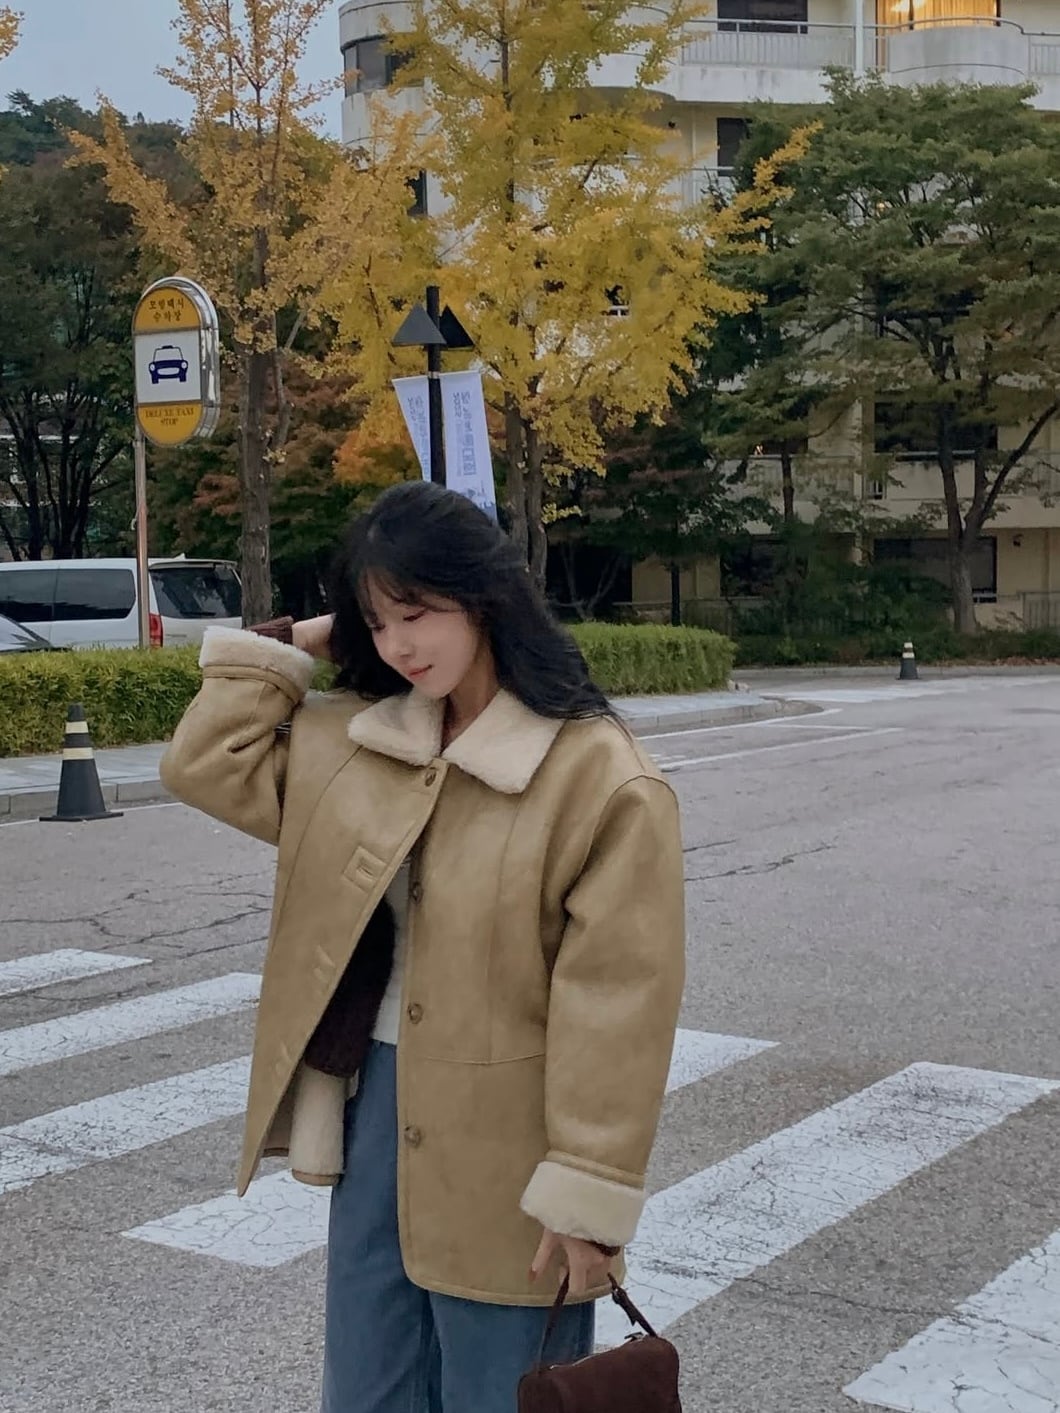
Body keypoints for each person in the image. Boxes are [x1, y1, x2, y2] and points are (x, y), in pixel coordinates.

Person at [160, 481, 685, 1413]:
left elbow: (617, 1001)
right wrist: (306, 639)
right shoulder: (361, 742)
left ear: (484, 593)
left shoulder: (597, 775)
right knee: (368, 1390)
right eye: (376, 620)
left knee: (502, 1393)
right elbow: (204, 763)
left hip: (513, 1150)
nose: (399, 644)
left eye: (417, 612)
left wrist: (589, 1197)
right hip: (375, 1119)